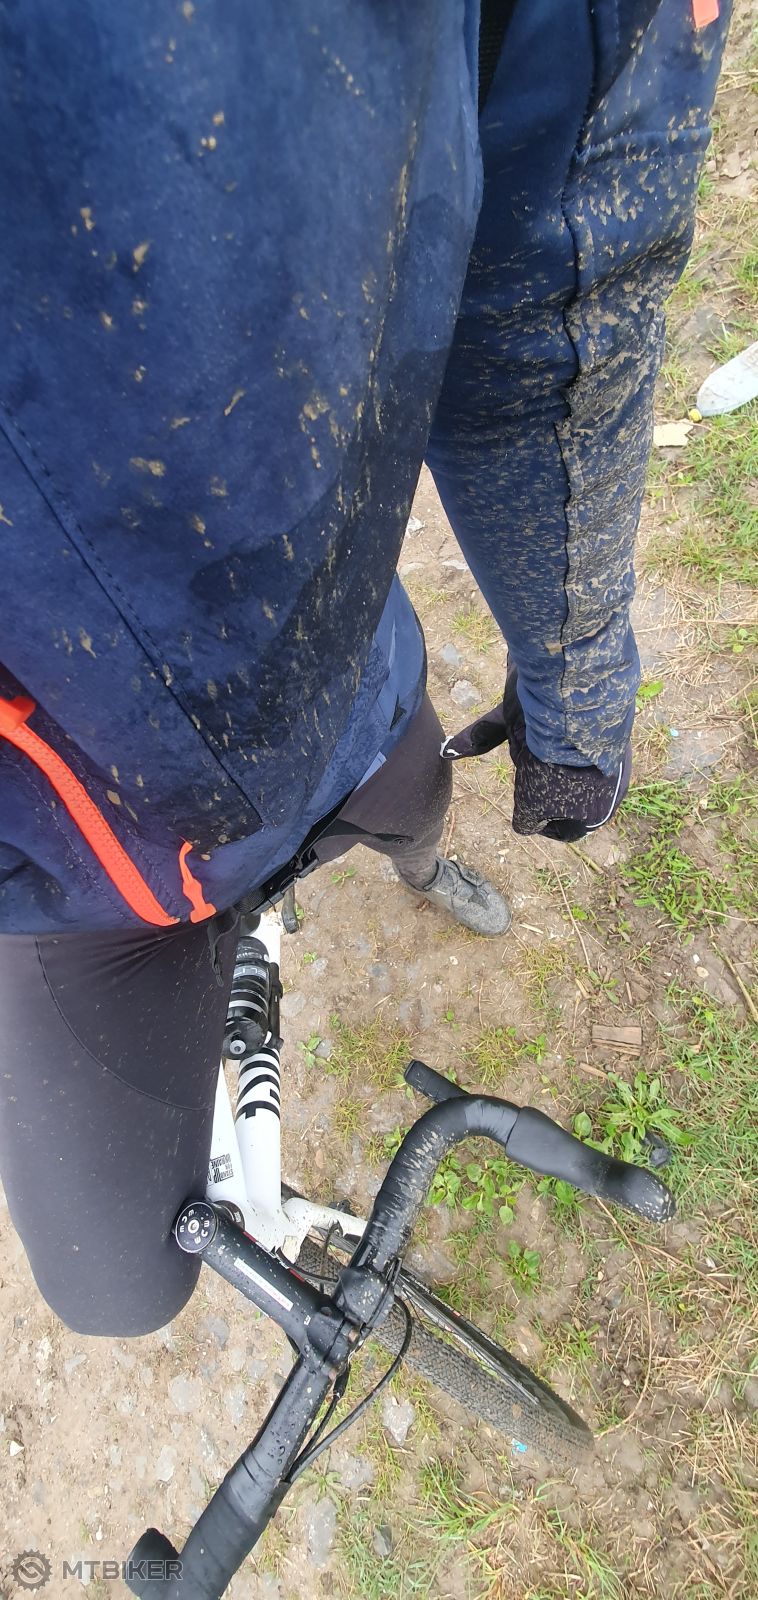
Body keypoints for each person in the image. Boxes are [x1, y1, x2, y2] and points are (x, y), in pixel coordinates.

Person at [0, 0, 729, 1336]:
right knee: (120, 1295)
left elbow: (566, 256)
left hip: (322, 676)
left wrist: (574, 689)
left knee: (413, 809)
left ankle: (414, 868)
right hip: (63, 880)